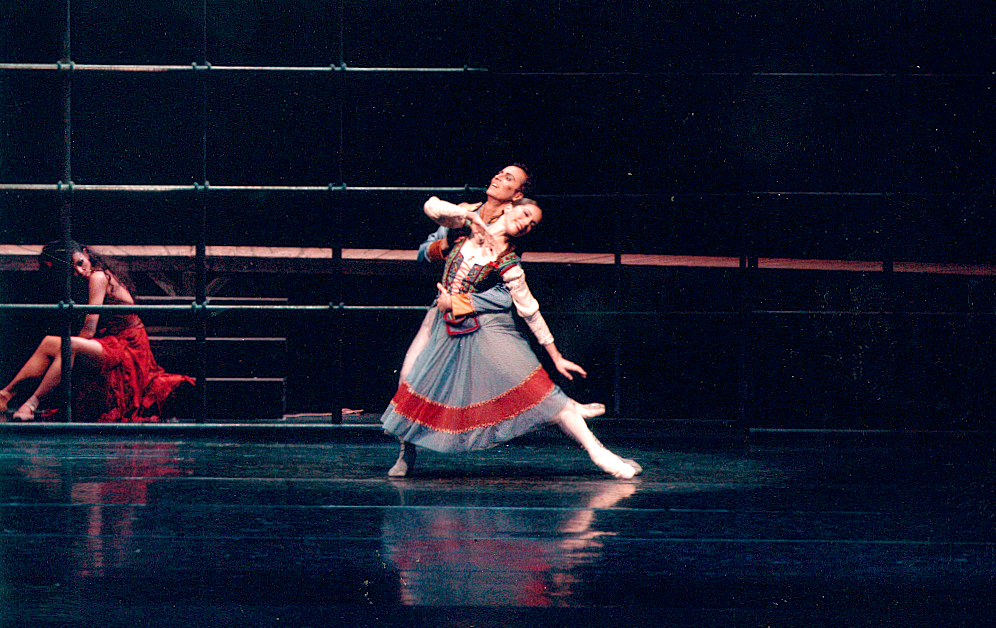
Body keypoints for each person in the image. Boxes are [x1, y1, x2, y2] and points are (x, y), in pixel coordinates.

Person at [380, 197, 641, 479]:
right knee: (410, 383)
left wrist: (556, 356)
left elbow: (528, 309)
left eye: (532, 224)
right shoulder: (463, 229)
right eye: (525, 214)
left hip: (486, 329)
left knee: (542, 394)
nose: (526, 223)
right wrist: (471, 217)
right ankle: (406, 453)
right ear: (509, 208)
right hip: (444, 325)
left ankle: (600, 454)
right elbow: (431, 206)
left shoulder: (507, 261)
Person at [0, 241, 194, 422]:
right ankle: (5, 395)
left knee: (68, 346)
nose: (79, 271)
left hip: (129, 348)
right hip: (113, 342)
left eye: (79, 263)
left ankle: (31, 403)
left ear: (86, 253)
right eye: (71, 269)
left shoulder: (98, 277)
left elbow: (89, 329)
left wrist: (67, 349)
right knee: (49, 342)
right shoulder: (90, 278)